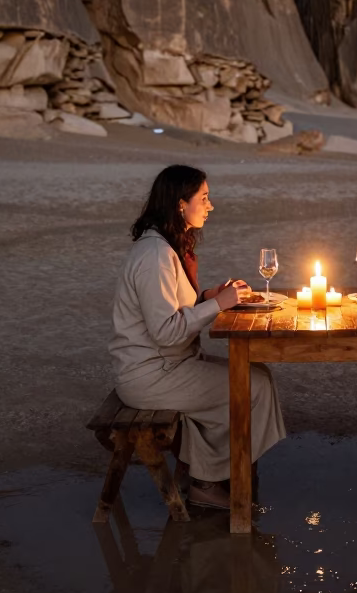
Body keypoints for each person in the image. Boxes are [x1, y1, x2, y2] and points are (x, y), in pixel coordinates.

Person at [109, 164, 286, 510]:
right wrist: (219, 305)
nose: (210, 205)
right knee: (253, 386)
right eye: (203, 198)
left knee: (258, 375)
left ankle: (214, 473)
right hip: (150, 374)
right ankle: (208, 481)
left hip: (165, 366)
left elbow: (172, 306)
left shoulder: (165, 246)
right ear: (179, 204)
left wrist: (207, 296)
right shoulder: (155, 255)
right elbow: (166, 332)